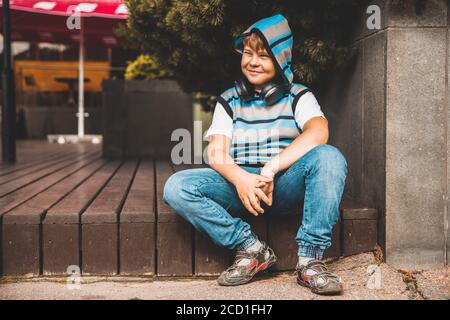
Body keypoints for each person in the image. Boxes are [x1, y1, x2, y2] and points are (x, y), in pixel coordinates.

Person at [163, 13, 347, 295]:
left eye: (263, 56)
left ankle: (310, 261)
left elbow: (318, 132)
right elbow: (216, 152)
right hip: (241, 187)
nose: (252, 62)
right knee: (177, 187)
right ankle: (251, 248)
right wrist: (240, 178)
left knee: (329, 157)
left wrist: (272, 167)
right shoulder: (229, 99)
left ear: (281, 60)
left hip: (285, 184)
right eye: (247, 53)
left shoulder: (299, 96)